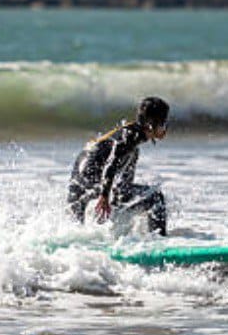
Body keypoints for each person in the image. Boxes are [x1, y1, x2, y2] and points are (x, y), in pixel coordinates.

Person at [67, 96, 170, 236]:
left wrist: (115, 196)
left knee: (76, 231)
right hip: (89, 179)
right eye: (164, 123)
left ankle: (113, 236)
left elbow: (123, 183)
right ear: (151, 124)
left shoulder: (130, 137)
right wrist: (104, 196)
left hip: (78, 185)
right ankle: (160, 241)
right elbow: (112, 162)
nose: (166, 128)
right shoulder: (130, 137)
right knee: (156, 198)